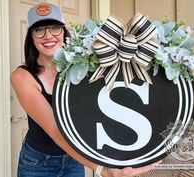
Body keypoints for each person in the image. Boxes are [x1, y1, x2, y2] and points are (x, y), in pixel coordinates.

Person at [11, 2, 161, 177]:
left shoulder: (81, 69)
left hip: (74, 159)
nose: (48, 35)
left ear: (64, 32)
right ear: (31, 36)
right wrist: (101, 169)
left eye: (54, 28)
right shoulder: (22, 77)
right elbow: (56, 129)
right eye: (39, 30)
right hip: (38, 163)